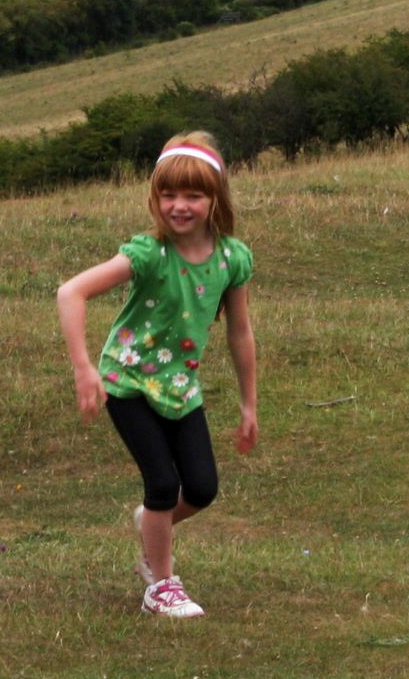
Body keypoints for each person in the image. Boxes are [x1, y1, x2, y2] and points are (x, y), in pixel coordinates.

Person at [56, 131, 260, 619]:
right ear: (155, 198)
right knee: (163, 484)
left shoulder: (233, 258)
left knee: (203, 489)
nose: (179, 205)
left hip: (179, 388)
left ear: (216, 199)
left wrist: (248, 404)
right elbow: (71, 293)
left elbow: (240, 333)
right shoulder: (149, 253)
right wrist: (85, 370)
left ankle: (151, 523)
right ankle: (161, 586)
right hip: (126, 383)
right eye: (168, 194)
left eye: (193, 194)